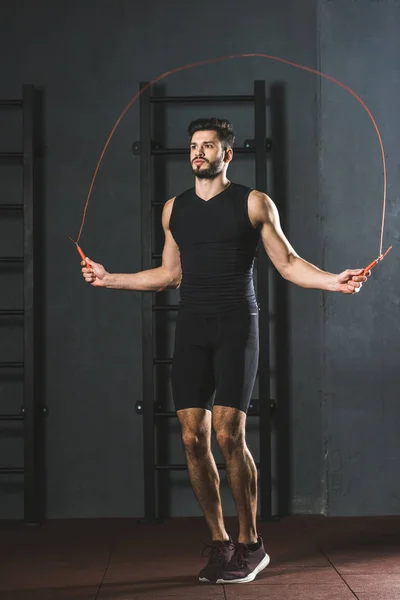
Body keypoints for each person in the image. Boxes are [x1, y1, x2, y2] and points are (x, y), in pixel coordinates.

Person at [81, 117, 367, 584]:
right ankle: (220, 544)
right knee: (193, 437)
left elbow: (289, 262)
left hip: (237, 325)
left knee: (229, 436)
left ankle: (251, 544)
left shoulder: (254, 203)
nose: (198, 152)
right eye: (193, 145)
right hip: (191, 327)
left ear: (226, 155)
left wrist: (334, 282)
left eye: (208, 146)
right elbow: (170, 274)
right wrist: (109, 278)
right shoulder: (174, 209)